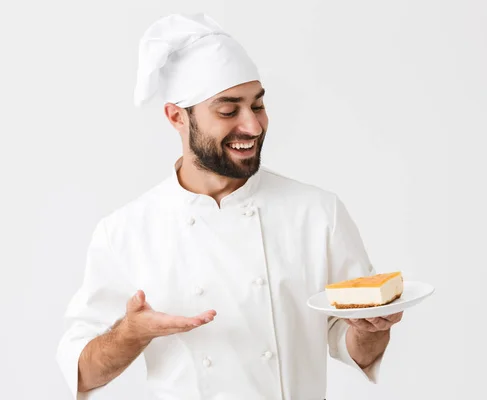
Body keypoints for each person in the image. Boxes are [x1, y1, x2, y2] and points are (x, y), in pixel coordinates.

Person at [56, 13, 403, 400]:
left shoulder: (318, 213)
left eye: (257, 105)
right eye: (228, 110)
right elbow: (83, 373)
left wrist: (371, 329)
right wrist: (130, 333)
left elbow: (353, 345)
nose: (253, 126)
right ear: (176, 117)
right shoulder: (126, 231)